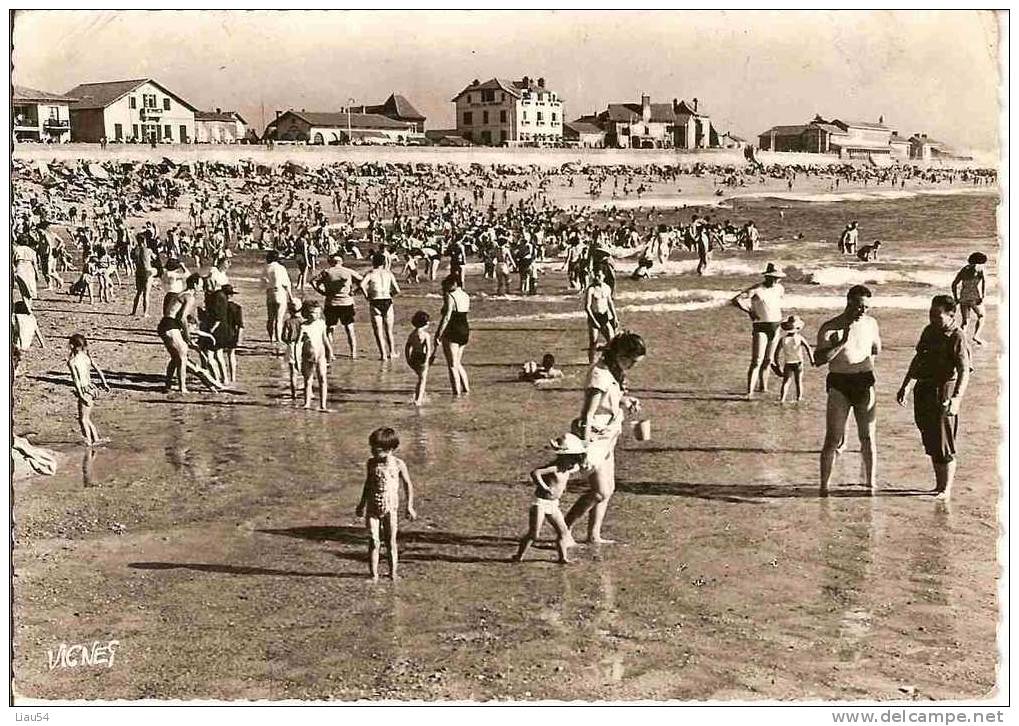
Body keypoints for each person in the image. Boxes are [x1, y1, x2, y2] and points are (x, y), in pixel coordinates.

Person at [564, 331, 646, 544]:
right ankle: (564, 530)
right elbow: (587, 414)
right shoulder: (599, 375)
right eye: (632, 362)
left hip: (609, 436)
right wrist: (583, 446)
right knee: (600, 491)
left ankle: (593, 535)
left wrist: (625, 401)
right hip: (594, 438)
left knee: (608, 490)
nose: (632, 367)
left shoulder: (613, 371)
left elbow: (608, 401)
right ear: (621, 354)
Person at [896, 295, 972, 499]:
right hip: (924, 388)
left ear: (951, 315)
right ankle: (938, 486)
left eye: (937, 316)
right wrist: (906, 385)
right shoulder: (929, 331)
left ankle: (945, 490)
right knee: (931, 438)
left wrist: (956, 398)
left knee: (944, 441)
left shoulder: (957, 336)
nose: (932, 319)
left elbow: (964, 370)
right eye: (930, 314)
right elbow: (919, 359)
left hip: (944, 389)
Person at [815, 285, 882, 494]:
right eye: (860, 307)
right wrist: (841, 343)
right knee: (833, 438)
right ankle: (824, 486)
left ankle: (870, 483)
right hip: (839, 383)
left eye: (867, 308)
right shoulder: (830, 327)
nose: (863, 311)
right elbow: (818, 360)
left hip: (864, 381)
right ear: (849, 302)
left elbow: (876, 348)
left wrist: (866, 356)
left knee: (868, 436)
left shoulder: (871, 323)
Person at [355, 427, 418, 581]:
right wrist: (361, 504)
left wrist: (409, 506)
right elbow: (368, 484)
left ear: (390, 449)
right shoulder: (371, 463)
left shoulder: (398, 464)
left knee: (391, 542)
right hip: (372, 508)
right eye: (372, 449)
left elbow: (407, 484)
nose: (373, 452)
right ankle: (373, 575)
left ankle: (392, 573)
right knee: (374, 541)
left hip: (391, 508)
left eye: (377, 450)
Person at [513, 433, 585, 564]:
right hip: (540, 503)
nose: (573, 462)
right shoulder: (555, 467)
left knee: (563, 532)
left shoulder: (568, 468)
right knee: (534, 534)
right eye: (571, 459)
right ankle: (519, 556)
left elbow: (581, 464)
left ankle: (563, 558)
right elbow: (535, 473)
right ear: (563, 457)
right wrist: (544, 487)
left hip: (553, 504)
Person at [731, 263, 786, 397]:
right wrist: (750, 311)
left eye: (778, 278)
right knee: (757, 360)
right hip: (761, 327)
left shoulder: (780, 288)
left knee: (768, 360)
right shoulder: (757, 289)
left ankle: (763, 388)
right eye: (773, 277)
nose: (776, 280)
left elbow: (777, 303)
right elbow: (736, 300)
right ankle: (749, 392)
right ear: (767, 276)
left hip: (776, 325)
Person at [312, 252, 362, 359]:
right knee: (349, 328)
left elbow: (313, 282)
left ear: (331, 262)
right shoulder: (348, 271)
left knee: (330, 329)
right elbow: (363, 281)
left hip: (331, 303)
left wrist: (322, 292)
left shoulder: (327, 272)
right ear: (342, 261)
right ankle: (353, 353)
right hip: (346, 302)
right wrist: (355, 291)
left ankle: (330, 354)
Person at [67, 334, 110, 447]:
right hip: (92, 388)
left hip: (84, 390)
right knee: (87, 418)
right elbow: (99, 370)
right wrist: (104, 383)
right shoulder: (87, 358)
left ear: (72, 346)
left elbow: (76, 380)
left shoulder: (72, 362)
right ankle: (95, 438)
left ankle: (89, 441)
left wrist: (80, 394)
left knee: (83, 419)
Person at [432, 274, 471, 397]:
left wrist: (438, 334)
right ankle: (466, 389)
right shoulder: (466, 295)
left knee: (452, 365)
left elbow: (447, 317)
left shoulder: (450, 296)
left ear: (453, 283)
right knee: (458, 363)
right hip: (465, 328)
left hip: (452, 329)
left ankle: (456, 394)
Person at [360, 252, 401, 361]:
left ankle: (383, 355)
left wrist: (367, 296)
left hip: (375, 300)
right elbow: (397, 290)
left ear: (373, 262)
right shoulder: (389, 273)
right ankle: (392, 352)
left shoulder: (370, 273)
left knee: (378, 331)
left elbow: (361, 285)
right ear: (384, 263)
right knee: (389, 330)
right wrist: (390, 295)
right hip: (387, 300)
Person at [299, 300, 332, 412]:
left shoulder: (321, 323)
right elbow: (299, 343)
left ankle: (323, 405)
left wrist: (330, 351)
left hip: (321, 355)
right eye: (314, 313)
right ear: (307, 313)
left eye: (319, 313)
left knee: (323, 378)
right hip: (307, 356)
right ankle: (307, 403)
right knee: (308, 380)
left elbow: (325, 338)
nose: (317, 315)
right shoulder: (303, 326)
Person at [775, 315, 814, 403]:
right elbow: (808, 348)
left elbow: (776, 353)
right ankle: (799, 398)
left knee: (786, 382)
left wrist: (777, 363)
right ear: (797, 328)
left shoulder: (783, 339)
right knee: (798, 381)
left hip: (788, 363)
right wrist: (812, 360)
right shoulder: (799, 338)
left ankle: (782, 398)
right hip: (799, 362)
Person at [952, 252, 987, 346]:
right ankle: (976, 336)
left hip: (963, 297)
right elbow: (984, 282)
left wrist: (956, 298)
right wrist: (983, 296)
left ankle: (960, 341)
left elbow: (954, 284)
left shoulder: (964, 269)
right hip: (975, 297)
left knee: (965, 321)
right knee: (981, 316)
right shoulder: (980, 268)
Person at [584, 267, 618, 363]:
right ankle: (591, 363)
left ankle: (608, 360)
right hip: (594, 316)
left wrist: (615, 317)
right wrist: (594, 322)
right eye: (595, 275)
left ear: (603, 276)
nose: (596, 277)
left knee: (611, 341)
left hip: (605, 316)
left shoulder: (607, 287)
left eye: (599, 275)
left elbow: (610, 303)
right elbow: (587, 307)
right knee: (593, 343)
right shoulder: (591, 289)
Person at [263, 250, 292, 347]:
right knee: (279, 319)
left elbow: (263, 283)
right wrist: (291, 297)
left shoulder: (266, 268)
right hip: (280, 293)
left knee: (270, 318)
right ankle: (278, 339)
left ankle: (271, 338)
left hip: (270, 293)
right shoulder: (281, 268)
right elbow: (286, 284)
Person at [404, 310, 433, 406]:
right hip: (422, 357)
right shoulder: (425, 335)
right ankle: (418, 399)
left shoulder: (412, 335)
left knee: (420, 378)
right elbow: (428, 349)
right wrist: (427, 360)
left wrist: (408, 359)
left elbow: (407, 347)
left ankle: (418, 395)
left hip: (414, 357)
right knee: (422, 379)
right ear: (426, 323)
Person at [280, 298, 304, 400]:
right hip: (302, 346)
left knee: (293, 372)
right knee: (305, 371)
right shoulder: (303, 322)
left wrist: (288, 342)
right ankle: (306, 392)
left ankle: (293, 393)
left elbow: (283, 337)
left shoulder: (288, 322)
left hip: (291, 346)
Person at [221, 285, 244, 384]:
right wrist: (239, 338)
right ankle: (233, 378)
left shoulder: (219, 306)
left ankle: (223, 377)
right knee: (231, 355)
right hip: (232, 333)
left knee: (219, 355)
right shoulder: (237, 307)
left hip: (220, 333)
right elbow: (240, 325)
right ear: (231, 295)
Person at [130, 236, 158, 317]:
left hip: (138, 272)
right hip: (147, 272)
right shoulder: (148, 250)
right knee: (146, 294)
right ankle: (145, 313)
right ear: (144, 241)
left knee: (138, 293)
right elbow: (154, 257)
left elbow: (132, 258)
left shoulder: (135, 250)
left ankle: (134, 311)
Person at [13, 239, 39, 313]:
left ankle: (27, 306)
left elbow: (13, 260)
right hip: (29, 268)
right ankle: (29, 305)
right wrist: (37, 273)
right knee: (30, 288)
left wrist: (14, 270)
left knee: (23, 288)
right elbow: (35, 264)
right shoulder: (32, 251)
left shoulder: (17, 249)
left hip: (20, 266)